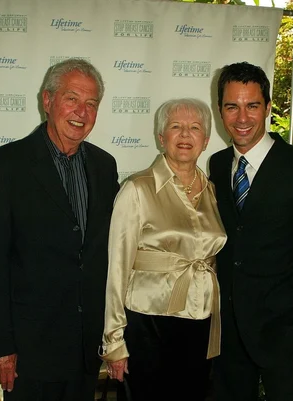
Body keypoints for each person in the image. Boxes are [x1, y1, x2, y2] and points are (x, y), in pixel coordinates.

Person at [0, 59, 119, 401]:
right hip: (29, 351)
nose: (81, 112)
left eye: (91, 103)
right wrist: (0, 347)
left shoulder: (104, 165)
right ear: (47, 100)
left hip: (86, 347)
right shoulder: (4, 166)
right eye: (72, 98)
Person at [208, 61, 293, 401]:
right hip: (227, 334)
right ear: (220, 111)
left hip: (286, 333)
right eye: (232, 106)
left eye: (252, 106)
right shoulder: (217, 164)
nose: (242, 118)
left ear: (268, 108)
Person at [100, 98, 226, 401]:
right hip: (148, 325)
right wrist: (114, 341)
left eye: (195, 128)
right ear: (161, 138)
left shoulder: (213, 191)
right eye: (176, 127)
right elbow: (117, 269)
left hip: (201, 324)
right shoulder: (137, 189)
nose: (185, 135)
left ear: (206, 140)